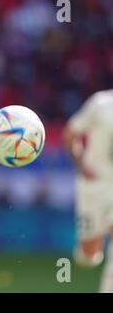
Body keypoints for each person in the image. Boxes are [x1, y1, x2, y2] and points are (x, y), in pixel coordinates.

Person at [63, 89, 113, 293]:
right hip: (95, 186)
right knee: (88, 255)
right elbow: (70, 134)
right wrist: (81, 165)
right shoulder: (101, 103)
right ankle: (86, 251)